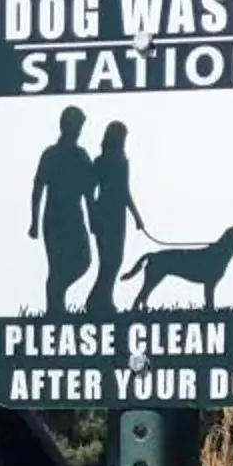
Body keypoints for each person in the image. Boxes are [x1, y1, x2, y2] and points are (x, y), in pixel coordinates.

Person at [29, 107, 95, 318]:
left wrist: (94, 220)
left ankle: (57, 299)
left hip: (75, 217)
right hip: (55, 218)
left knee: (83, 260)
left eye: (80, 127)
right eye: (76, 126)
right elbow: (38, 187)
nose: (78, 130)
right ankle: (55, 311)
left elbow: (88, 191)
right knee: (56, 266)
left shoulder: (81, 155)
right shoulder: (51, 154)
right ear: (66, 126)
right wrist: (34, 222)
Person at [83, 121, 143, 315]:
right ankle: (97, 301)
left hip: (112, 213)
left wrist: (136, 217)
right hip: (110, 214)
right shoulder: (110, 161)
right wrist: (136, 216)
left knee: (112, 261)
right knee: (110, 261)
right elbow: (92, 191)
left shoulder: (113, 160)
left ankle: (103, 300)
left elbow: (122, 191)